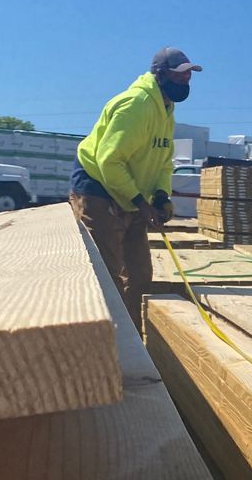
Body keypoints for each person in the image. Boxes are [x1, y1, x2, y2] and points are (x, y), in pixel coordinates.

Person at [71, 47, 201, 325]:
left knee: (140, 275)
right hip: (98, 187)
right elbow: (109, 161)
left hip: (130, 194)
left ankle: (132, 337)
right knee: (106, 273)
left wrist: (161, 196)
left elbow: (163, 162)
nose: (186, 80)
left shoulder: (166, 110)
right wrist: (140, 202)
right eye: (180, 75)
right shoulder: (136, 105)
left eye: (189, 75)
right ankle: (108, 339)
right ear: (160, 74)